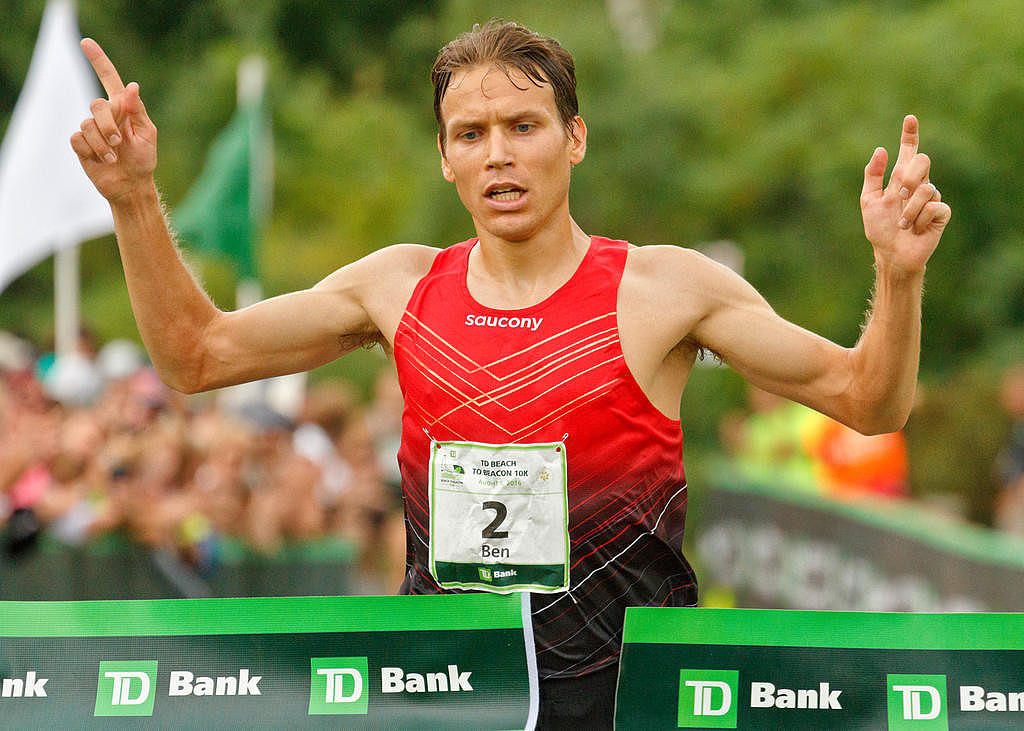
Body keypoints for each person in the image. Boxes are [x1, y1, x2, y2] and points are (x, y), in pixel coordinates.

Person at [70, 20, 950, 729]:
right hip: (448, 694)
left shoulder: (665, 290)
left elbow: (868, 401)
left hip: (622, 699)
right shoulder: (398, 286)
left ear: (574, 139)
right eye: (472, 134)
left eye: (523, 126)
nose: (498, 153)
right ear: (445, 157)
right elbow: (197, 355)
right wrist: (133, 199)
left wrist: (899, 274)